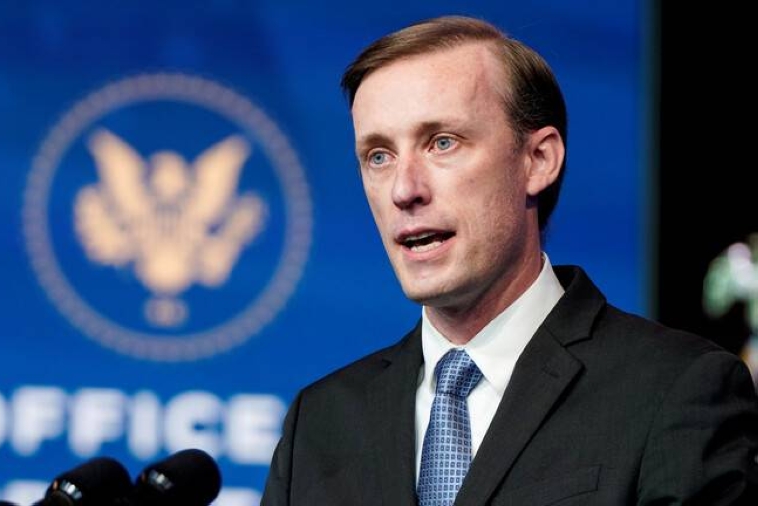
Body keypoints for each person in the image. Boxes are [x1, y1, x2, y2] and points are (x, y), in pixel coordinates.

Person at [260, 15, 758, 506]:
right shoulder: (319, 423)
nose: (404, 189)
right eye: (378, 156)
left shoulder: (674, 390)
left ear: (538, 160)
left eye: (442, 143)